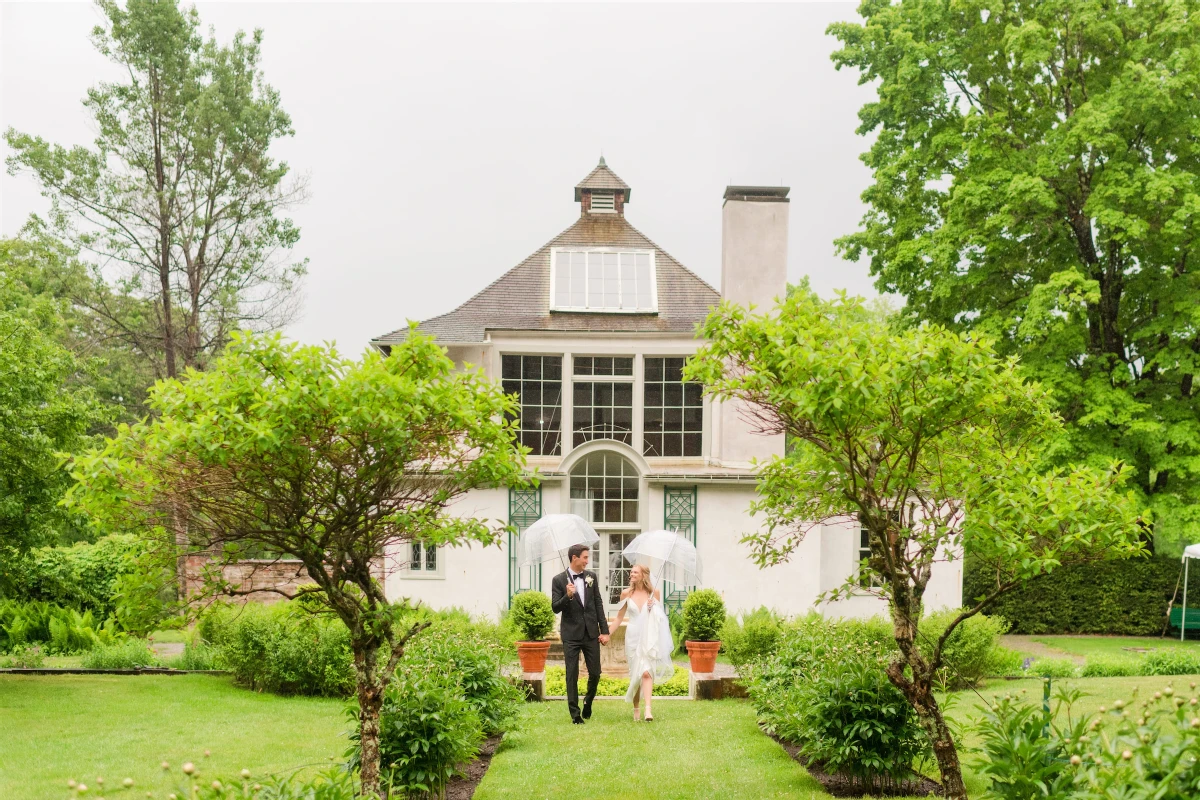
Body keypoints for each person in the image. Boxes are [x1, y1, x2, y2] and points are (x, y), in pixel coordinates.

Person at [550, 543, 610, 724]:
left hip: (590, 632)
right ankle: (575, 715)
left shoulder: (591, 577)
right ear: (574, 558)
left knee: (596, 673)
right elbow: (555, 608)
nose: (587, 561)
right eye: (585, 557)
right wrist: (567, 596)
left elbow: (598, 603)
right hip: (571, 634)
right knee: (572, 674)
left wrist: (604, 631)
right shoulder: (558, 580)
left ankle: (588, 701)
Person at [608, 563, 675, 722]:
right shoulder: (626, 594)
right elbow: (619, 618)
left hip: (648, 636)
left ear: (644, 575)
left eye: (635, 572)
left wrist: (654, 607)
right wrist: (607, 635)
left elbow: (660, 619)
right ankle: (636, 707)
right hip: (632, 637)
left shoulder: (654, 593)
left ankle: (648, 710)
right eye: (631, 572)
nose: (631, 574)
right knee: (635, 674)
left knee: (646, 671)